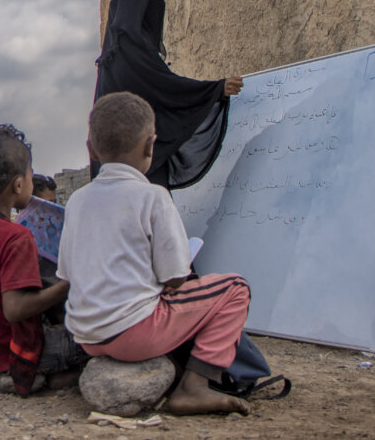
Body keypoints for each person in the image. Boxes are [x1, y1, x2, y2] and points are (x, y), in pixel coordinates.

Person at [57, 92, 251, 415]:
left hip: (86, 336)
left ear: (90, 150)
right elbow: (175, 278)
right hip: (135, 334)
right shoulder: (153, 197)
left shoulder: (77, 201)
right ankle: (195, 386)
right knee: (235, 289)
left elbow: (67, 273)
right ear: (150, 146)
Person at [0, 125, 84, 396]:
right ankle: (38, 376)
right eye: (31, 172)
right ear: (19, 184)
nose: (33, 179)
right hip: (6, 354)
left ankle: (42, 377)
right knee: (89, 339)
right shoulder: (16, 237)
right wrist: (67, 284)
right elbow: (15, 309)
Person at [94, 0, 243, 188]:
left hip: (122, 166)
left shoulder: (116, 51)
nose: (158, 8)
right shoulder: (128, 49)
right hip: (135, 165)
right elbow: (163, 88)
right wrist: (215, 90)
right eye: (154, 1)